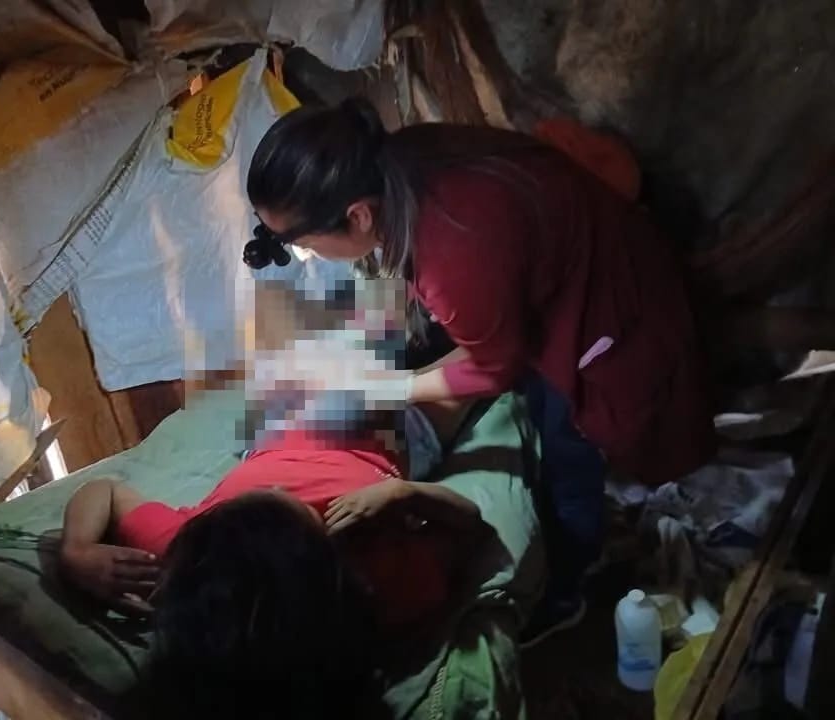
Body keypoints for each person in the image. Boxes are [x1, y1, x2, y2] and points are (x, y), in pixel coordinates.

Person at [244, 98, 717, 646]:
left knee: (567, 454)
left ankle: (569, 587)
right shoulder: (403, 159)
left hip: (613, 313)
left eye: (302, 243)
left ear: (359, 215)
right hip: (581, 259)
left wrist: (393, 388)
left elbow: (496, 369)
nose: (305, 253)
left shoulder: (454, 249)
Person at [59, 398, 484, 720]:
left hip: (278, 431)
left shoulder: (197, 552)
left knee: (356, 336)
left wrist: (77, 551)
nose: (279, 488)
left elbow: (103, 489)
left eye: (259, 497)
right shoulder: (369, 564)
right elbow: (470, 525)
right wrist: (406, 493)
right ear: (317, 556)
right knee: (479, 362)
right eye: (283, 504)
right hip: (382, 434)